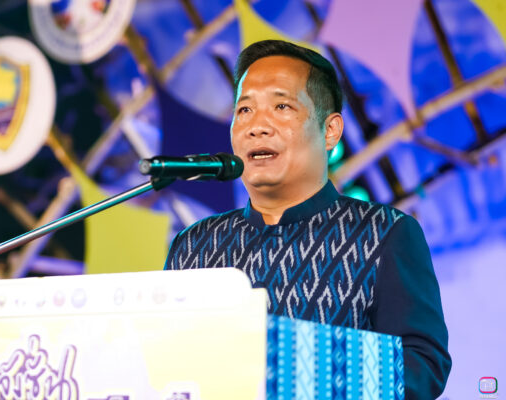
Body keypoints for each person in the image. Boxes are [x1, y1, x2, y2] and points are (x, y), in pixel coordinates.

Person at [164, 40, 451, 399]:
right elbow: (166, 364)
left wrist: (299, 365)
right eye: (245, 109)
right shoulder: (194, 245)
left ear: (330, 131)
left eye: (281, 106)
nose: (257, 126)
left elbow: (422, 365)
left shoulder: (384, 232)